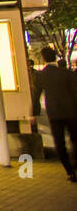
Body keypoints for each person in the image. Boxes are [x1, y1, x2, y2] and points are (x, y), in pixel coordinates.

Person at [32, 46, 77, 181]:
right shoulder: (67, 73)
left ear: (43, 58)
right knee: (75, 139)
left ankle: (69, 171)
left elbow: (35, 96)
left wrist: (33, 114)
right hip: (71, 111)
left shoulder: (41, 76)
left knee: (59, 142)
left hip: (54, 113)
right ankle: (75, 162)